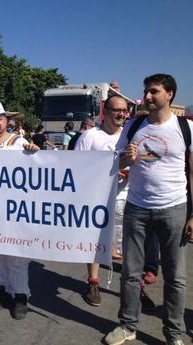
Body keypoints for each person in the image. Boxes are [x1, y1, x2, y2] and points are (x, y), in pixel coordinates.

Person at [105, 74, 193, 345]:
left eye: (154, 91)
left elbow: (192, 171)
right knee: (131, 273)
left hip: (174, 208)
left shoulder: (185, 128)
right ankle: (128, 325)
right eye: (146, 91)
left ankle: (174, 333)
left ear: (170, 95)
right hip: (137, 207)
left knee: (175, 277)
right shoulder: (134, 125)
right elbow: (115, 160)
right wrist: (125, 158)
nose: (148, 96)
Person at [0, 101, 40, 320]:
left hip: (16, 211)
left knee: (17, 257)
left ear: (6, 120)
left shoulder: (18, 143)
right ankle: (2, 289)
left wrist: (35, 153)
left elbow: (40, 169)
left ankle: (21, 296)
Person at [74, 96, 129, 307]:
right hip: (97, 200)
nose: (121, 114)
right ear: (105, 112)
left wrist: (129, 174)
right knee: (95, 245)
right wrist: (109, 174)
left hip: (126, 198)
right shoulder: (90, 137)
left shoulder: (130, 135)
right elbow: (77, 167)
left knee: (129, 247)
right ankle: (93, 282)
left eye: (125, 111)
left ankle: (135, 287)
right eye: (117, 110)